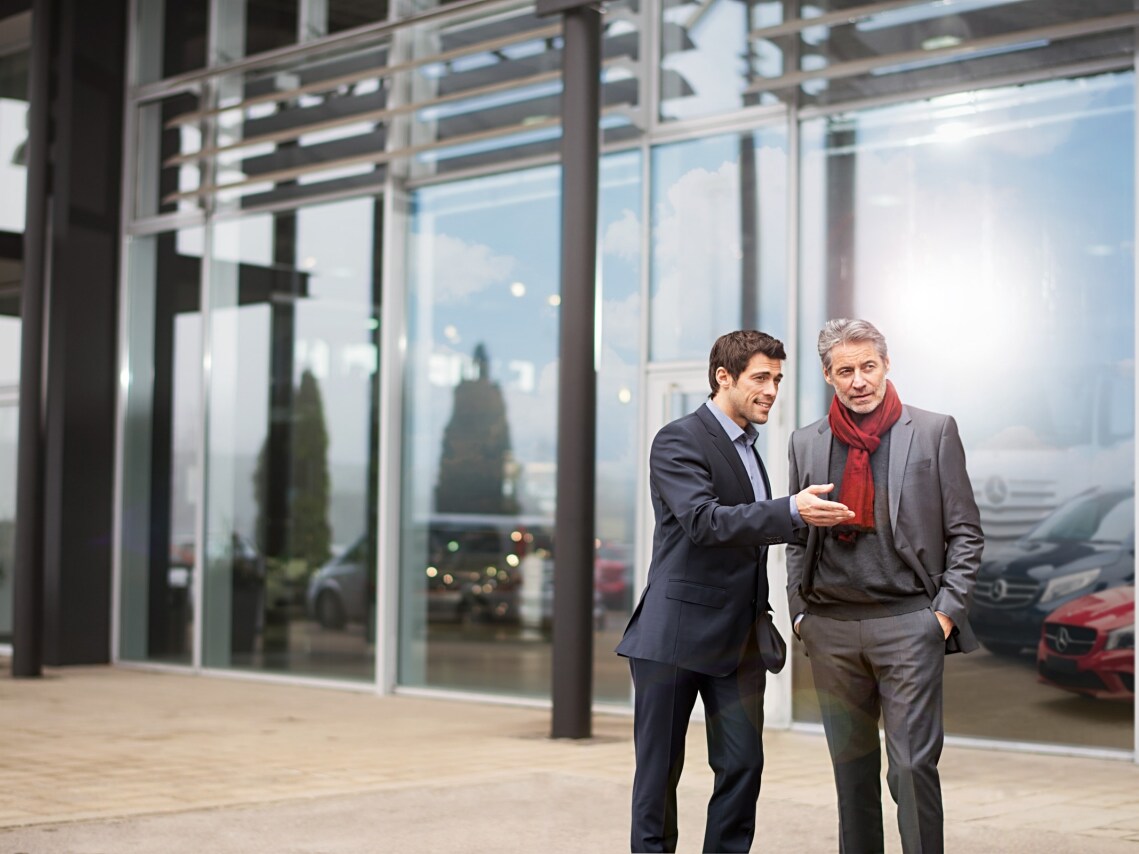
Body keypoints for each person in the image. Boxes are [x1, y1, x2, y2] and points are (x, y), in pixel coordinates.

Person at [617, 329, 855, 853]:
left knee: (743, 766)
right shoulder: (678, 439)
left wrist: (817, 521)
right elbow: (704, 522)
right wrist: (791, 510)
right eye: (761, 378)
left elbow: (752, 525)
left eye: (778, 379)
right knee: (658, 775)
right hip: (673, 637)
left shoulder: (750, 448)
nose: (772, 390)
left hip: (740, 637)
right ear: (723, 377)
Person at [786, 318, 984, 854]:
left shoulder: (934, 430)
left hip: (909, 624)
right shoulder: (806, 443)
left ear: (886, 365)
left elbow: (965, 531)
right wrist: (801, 613)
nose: (859, 381)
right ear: (829, 375)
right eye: (845, 370)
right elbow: (796, 538)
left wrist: (942, 615)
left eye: (868, 366)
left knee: (912, 768)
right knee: (852, 775)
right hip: (832, 626)